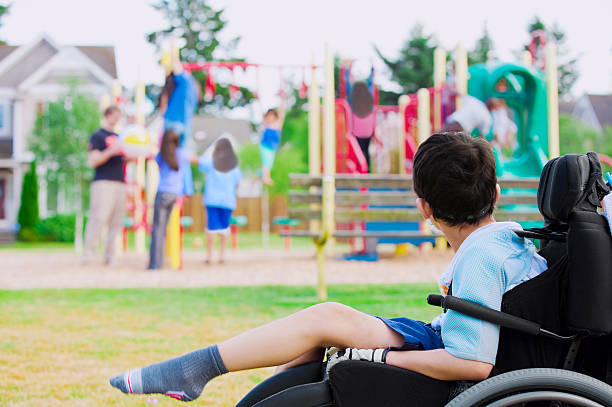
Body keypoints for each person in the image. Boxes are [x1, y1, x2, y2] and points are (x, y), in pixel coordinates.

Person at [109, 132, 547, 402]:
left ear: (424, 207)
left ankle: (196, 370)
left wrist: (384, 360)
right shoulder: (507, 237)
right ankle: (214, 380)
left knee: (326, 319)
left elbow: (472, 364)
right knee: (324, 324)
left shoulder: (481, 257)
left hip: (448, 363)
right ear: (497, 191)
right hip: (439, 339)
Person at [81, 105, 125, 266]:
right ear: (107, 115)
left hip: (120, 183)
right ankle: (89, 254)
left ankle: (111, 256)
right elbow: (93, 160)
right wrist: (111, 151)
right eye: (115, 115)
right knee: (98, 218)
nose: (117, 119)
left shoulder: (121, 137)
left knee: (116, 221)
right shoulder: (97, 136)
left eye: (119, 116)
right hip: (103, 182)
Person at [147, 129, 190, 270]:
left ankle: (155, 264)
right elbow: (187, 173)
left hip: (163, 192)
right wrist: (187, 192)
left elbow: (155, 163)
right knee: (171, 228)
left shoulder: (161, 155)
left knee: (158, 229)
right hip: (176, 194)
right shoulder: (182, 154)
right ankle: (174, 261)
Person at [198, 138, 242, 264]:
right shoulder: (234, 167)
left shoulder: (212, 162)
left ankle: (210, 256)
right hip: (228, 201)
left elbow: (199, 161)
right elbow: (238, 183)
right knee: (224, 228)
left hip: (212, 200)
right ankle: (222, 255)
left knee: (211, 228)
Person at [349, 81, 376, 170]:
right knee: (366, 151)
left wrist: (346, 71)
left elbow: (348, 85)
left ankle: (360, 169)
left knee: (358, 152)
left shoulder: (353, 101)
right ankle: (367, 170)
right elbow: (371, 84)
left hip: (357, 131)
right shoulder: (369, 100)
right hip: (368, 132)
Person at [260, 96, 286, 186]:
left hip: (273, 148)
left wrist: (282, 100)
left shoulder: (278, 124)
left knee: (269, 165)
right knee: (266, 162)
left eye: (272, 115)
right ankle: (265, 178)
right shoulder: (265, 124)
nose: (270, 117)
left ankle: (257, 178)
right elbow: (260, 110)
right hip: (265, 146)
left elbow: (282, 113)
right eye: (268, 115)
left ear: (275, 116)